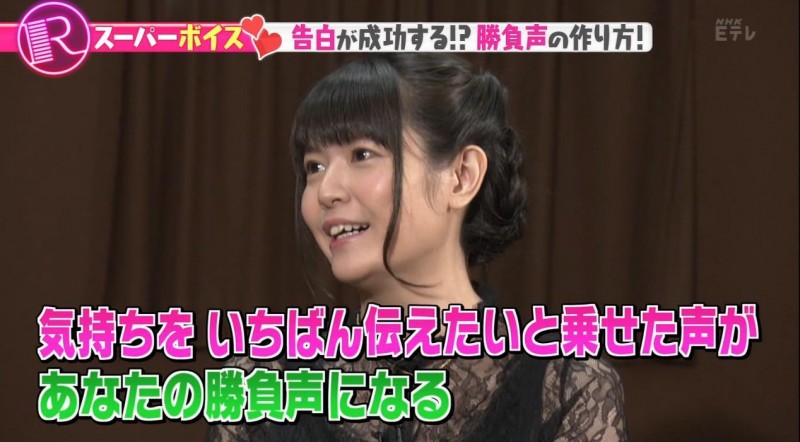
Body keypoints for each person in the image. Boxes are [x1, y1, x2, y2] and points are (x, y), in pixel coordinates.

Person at [209, 53, 627, 441]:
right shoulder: (255, 386)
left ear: (461, 176)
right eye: (314, 166)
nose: (325, 191)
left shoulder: (569, 388)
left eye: (362, 154)